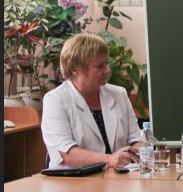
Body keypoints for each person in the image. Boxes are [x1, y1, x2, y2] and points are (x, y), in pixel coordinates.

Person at [41, 32, 143, 168]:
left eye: (107, 63)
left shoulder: (119, 94)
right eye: (100, 66)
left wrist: (139, 151)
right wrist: (109, 159)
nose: (107, 70)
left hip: (117, 177)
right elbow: (65, 154)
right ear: (75, 69)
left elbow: (136, 139)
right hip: (73, 179)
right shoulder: (55, 100)